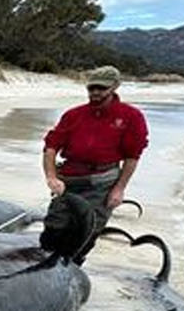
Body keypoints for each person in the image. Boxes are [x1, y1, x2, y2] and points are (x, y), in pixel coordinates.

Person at [42, 65, 149, 229]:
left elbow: (132, 156)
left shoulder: (132, 116)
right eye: (92, 88)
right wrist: (51, 177)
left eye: (102, 88)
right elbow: (51, 146)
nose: (95, 92)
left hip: (102, 183)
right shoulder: (73, 114)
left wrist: (119, 189)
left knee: (86, 231)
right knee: (54, 228)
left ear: (114, 87)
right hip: (69, 180)